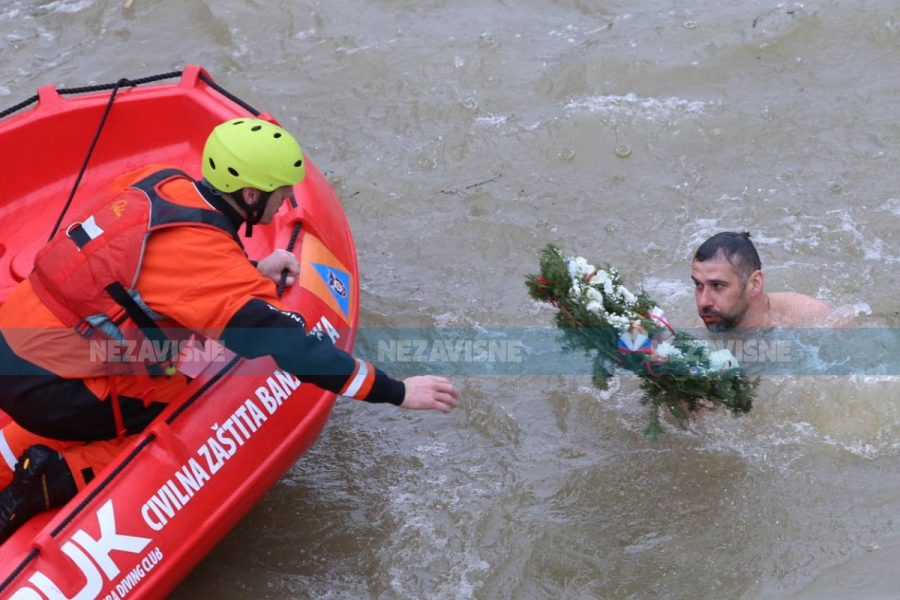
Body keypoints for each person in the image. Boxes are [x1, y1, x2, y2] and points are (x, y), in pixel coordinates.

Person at [0, 117, 459, 541]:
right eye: (280, 192)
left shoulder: (159, 180)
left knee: (164, 349)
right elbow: (291, 349)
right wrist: (397, 391)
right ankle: (57, 475)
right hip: (49, 388)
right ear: (252, 196)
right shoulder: (205, 263)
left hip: (15, 337)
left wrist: (254, 267)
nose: (285, 201)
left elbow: (146, 269)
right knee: (180, 382)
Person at [692, 231, 833, 331]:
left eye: (718, 286)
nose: (703, 302)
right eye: (698, 285)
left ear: (755, 284)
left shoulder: (814, 320)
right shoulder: (701, 333)